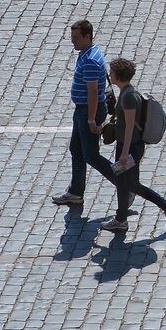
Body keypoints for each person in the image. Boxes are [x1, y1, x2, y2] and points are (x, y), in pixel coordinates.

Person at [99, 57, 166, 234]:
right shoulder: (127, 93)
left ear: (118, 75)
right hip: (128, 147)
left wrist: (124, 153)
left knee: (132, 185)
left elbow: (128, 127)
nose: (109, 75)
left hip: (130, 148)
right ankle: (121, 219)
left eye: (111, 72)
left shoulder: (128, 97)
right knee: (122, 182)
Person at [50, 20, 120, 209]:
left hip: (88, 111)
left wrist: (90, 119)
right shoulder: (89, 52)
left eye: (76, 38)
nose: (73, 41)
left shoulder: (89, 60)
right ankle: (76, 192)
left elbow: (92, 92)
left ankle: (125, 187)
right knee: (76, 150)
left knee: (91, 155)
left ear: (87, 37)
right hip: (82, 110)